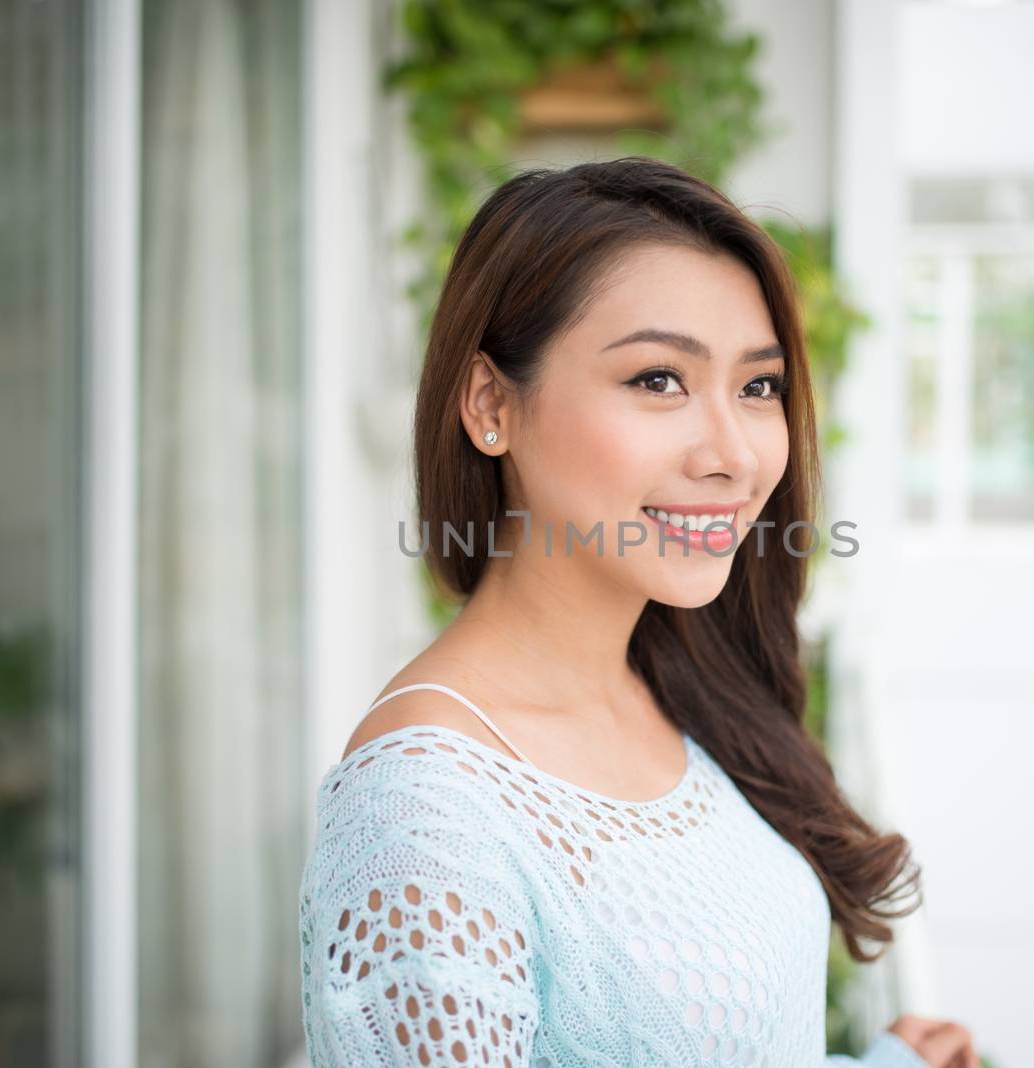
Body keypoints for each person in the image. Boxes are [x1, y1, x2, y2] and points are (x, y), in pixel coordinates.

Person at [298, 156, 978, 1067]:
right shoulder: (426, 814)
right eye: (659, 380)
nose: (732, 454)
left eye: (758, 386)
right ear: (492, 403)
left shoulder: (676, 685)